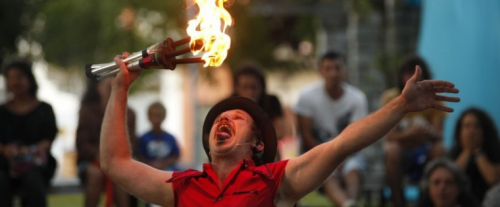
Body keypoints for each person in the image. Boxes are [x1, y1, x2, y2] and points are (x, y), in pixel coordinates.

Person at [99, 52, 459, 206]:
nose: (224, 119)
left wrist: (400, 105)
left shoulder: (275, 182)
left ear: (257, 144)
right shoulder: (183, 188)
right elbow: (116, 163)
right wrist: (120, 89)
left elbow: (342, 144)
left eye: (238, 119)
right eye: (220, 118)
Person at [294, 51, 368, 207]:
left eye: (337, 67)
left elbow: (357, 136)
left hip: (349, 153)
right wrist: (331, 156)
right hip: (318, 154)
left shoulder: (357, 98)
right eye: (328, 68)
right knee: (327, 172)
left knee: (353, 170)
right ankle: (350, 204)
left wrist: (340, 157)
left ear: (345, 71)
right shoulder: (307, 97)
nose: (333, 73)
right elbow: (306, 136)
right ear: (321, 72)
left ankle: (348, 203)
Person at [382, 55, 447, 207]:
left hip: (425, 150)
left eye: (417, 75)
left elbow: (439, 135)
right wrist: (410, 134)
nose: (412, 79)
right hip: (401, 152)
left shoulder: (434, 98)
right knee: (392, 150)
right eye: (408, 74)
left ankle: (429, 200)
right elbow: (389, 136)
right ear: (401, 76)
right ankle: (398, 201)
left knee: (439, 149)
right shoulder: (390, 97)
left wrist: (427, 133)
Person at [0, 58, 57, 207]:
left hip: (35, 164)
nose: (14, 82)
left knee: (32, 180)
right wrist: (6, 150)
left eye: (19, 77)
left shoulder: (44, 109)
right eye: (10, 78)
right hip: (6, 165)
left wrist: (29, 151)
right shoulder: (2, 111)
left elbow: (48, 140)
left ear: (29, 79)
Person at [76, 78, 136, 207]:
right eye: (110, 87)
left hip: (120, 161)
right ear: (98, 88)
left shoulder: (130, 114)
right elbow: (81, 143)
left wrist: (116, 156)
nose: (114, 90)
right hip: (91, 162)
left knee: (120, 177)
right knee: (95, 174)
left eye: (118, 86)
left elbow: (132, 143)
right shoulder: (87, 112)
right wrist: (99, 154)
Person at [232, 63, 285, 158]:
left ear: (262, 87)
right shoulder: (228, 104)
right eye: (245, 87)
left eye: (253, 87)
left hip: (267, 153)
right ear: (237, 88)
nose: (249, 92)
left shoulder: (272, 101)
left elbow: (279, 132)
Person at [449, 108, 500, 202]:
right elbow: (450, 179)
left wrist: (478, 151)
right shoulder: (452, 154)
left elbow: (493, 180)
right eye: (467, 126)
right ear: (459, 131)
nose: (472, 131)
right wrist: (467, 151)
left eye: (477, 126)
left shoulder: (496, 152)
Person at [137, 101, 180, 171]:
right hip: (148, 171)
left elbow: (176, 156)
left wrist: (164, 164)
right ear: (149, 117)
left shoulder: (170, 138)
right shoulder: (143, 138)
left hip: (167, 171)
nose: (156, 119)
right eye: (154, 115)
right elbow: (140, 157)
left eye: (159, 115)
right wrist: (151, 165)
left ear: (164, 116)